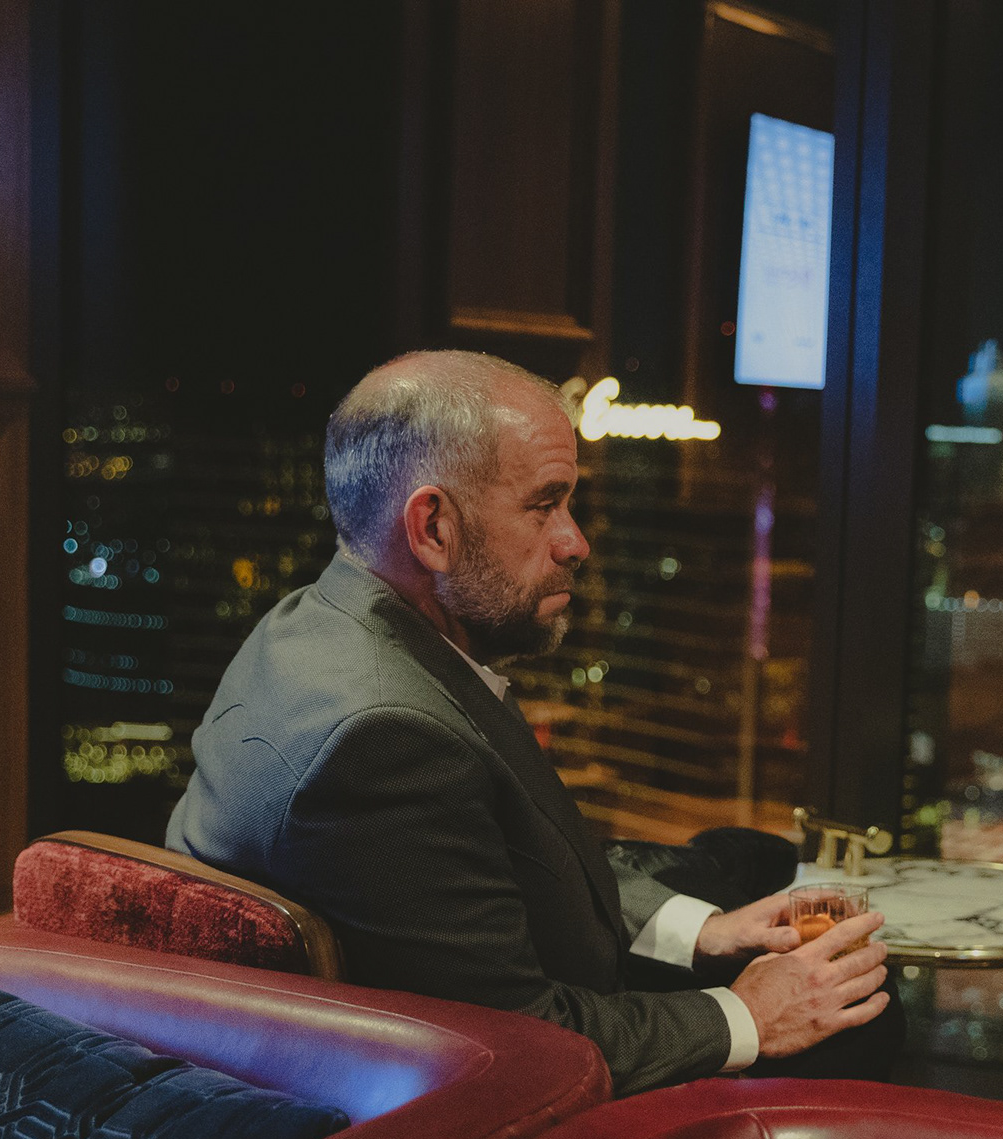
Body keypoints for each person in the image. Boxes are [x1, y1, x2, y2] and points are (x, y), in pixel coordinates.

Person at [168, 350, 895, 1097]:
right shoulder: (384, 738)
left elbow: (502, 866)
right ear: (433, 528)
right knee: (866, 1022)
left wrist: (706, 935)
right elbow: (509, 1045)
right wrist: (748, 1015)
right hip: (477, 1134)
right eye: (545, 505)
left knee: (742, 862)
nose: (575, 541)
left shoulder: (308, 625)